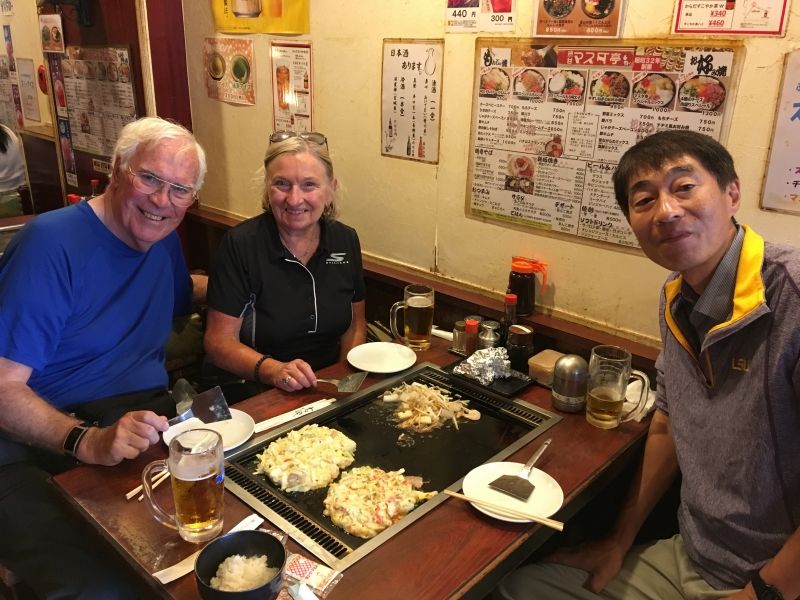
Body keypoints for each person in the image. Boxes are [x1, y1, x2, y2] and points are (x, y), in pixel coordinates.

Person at [496, 130, 800, 600]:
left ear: (731, 193)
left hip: (775, 580)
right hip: (694, 557)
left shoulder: (791, 297)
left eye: (684, 187)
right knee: (522, 585)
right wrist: (618, 542)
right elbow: (667, 421)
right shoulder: (675, 296)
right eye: (644, 200)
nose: (666, 211)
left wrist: (763, 593)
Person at [0, 116, 207, 597]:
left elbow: (185, 295)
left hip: (136, 425)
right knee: (105, 587)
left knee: (212, 548)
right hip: (29, 449)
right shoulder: (49, 245)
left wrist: (241, 292)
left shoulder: (163, 240)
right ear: (117, 169)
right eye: (149, 178)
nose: (162, 200)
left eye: (180, 189)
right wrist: (85, 441)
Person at [204, 131, 367, 393]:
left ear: (330, 190)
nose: (294, 199)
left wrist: (346, 377)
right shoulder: (241, 244)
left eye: (309, 185)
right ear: (267, 190)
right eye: (282, 183)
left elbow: (355, 323)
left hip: (328, 383)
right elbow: (218, 342)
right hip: (258, 386)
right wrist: (275, 371)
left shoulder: (345, 240)